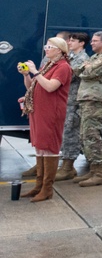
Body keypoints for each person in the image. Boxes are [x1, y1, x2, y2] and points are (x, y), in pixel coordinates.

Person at [17, 37, 72, 202]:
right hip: (39, 111)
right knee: (40, 148)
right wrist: (27, 75)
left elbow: (50, 87)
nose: (46, 49)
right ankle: (39, 185)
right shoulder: (47, 65)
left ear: (60, 50)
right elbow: (32, 87)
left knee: (49, 148)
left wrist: (35, 72)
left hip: (51, 112)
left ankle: (47, 189)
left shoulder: (63, 67)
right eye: (46, 46)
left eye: (50, 47)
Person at [74, 30, 102, 187]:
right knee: (84, 135)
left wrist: (87, 67)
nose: (91, 43)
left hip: (96, 99)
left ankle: (100, 173)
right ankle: (93, 170)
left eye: (95, 40)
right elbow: (78, 69)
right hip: (87, 98)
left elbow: (88, 72)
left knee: (92, 134)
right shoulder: (95, 57)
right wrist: (86, 67)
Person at [54, 31, 89, 181]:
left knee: (70, 132)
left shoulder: (83, 58)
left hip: (74, 102)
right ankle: (61, 164)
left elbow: (71, 75)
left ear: (81, 43)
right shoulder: (70, 57)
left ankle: (68, 166)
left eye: (73, 41)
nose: (70, 43)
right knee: (62, 131)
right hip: (65, 100)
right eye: (69, 40)